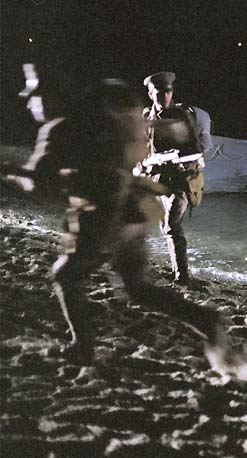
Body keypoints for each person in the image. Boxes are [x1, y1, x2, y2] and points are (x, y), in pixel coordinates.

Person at [16, 64, 220, 365]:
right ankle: (204, 319)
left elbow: (39, 185)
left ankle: (82, 346)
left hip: (103, 216)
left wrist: (14, 175)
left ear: (51, 97)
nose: (31, 104)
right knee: (136, 287)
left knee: (65, 276)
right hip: (132, 208)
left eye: (36, 97)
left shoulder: (58, 129)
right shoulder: (98, 116)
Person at [139, 71, 209, 286]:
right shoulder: (146, 117)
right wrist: (143, 163)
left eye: (168, 91)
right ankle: (177, 271)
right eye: (159, 92)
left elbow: (196, 149)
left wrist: (176, 157)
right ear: (151, 94)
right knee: (165, 227)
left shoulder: (180, 116)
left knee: (172, 225)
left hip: (180, 179)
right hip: (157, 180)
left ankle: (182, 276)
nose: (165, 96)